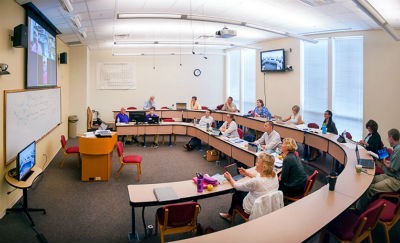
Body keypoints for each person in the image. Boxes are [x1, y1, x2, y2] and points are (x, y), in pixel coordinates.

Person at [219, 152, 279, 221]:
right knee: (245, 192)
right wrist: (247, 173)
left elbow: (236, 186)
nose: (255, 164)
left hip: (255, 208)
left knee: (236, 194)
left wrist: (230, 178)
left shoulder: (256, 181)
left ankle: (229, 215)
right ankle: (230, 214)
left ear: (264, 167)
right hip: (268, 204)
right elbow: (258, 176)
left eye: (257, 162)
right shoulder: (273, 174)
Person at [355, 128, 400, 212]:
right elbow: (395, 165)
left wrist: (383, 161)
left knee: (371, 188)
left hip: (395, 180)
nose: (387, 139)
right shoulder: (396, 148)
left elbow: (393, 169)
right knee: (370, 180)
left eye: (388, 137)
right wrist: (387, 162)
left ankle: (359, 209)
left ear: (391, 137)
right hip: (390, 175)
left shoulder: (398, 150)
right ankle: (359, 203)